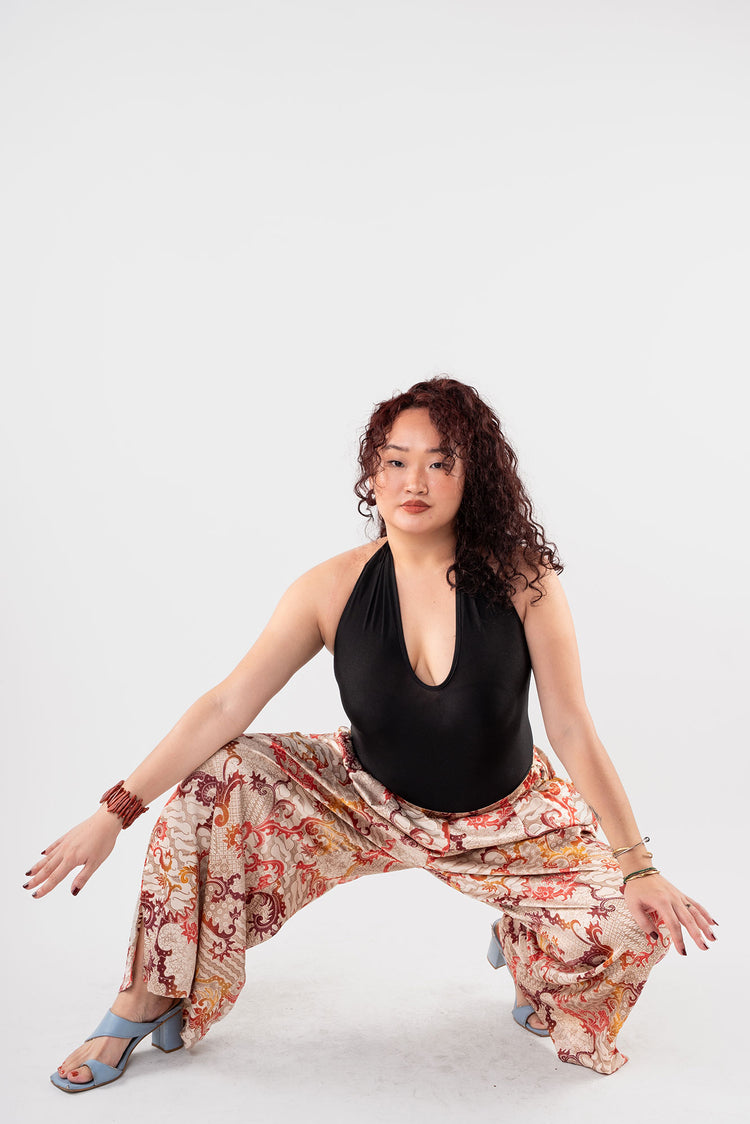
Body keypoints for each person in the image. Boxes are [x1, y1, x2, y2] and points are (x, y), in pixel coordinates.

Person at [26, 376, 717, 1090]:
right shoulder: (329, 588)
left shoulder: (521, 578)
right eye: (396, 460)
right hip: (360, 802)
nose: (414, 481)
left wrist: (639, 866)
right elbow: (227, 703)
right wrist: (114, 813)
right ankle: (147, 996)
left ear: (473, 475)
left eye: (440, 462)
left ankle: (529, 940)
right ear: (372, 473)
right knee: (219, 777)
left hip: (512, 820)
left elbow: (571, 726)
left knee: (635, 927)